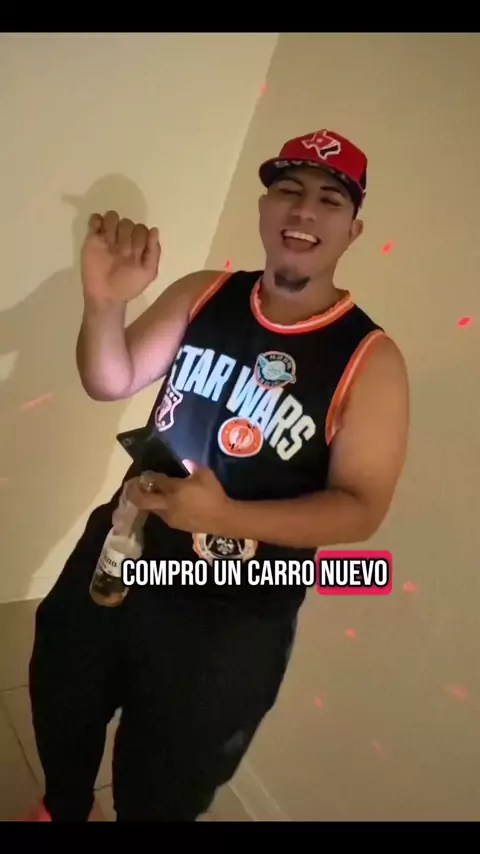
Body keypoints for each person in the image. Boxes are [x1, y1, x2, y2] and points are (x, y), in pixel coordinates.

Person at [27, 128, 409, 822]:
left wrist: (225, 516)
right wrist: (104, 304)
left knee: (167, 773)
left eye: (329, 200)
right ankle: (62, 808)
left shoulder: (371, 359)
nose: (303, 210)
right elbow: (109, 379)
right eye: (288, 190)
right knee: (63, 691)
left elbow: (361, 508)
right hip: (126, 542)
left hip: (235, 605)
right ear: (264, 209)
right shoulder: (205, 293)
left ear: (353, 230)